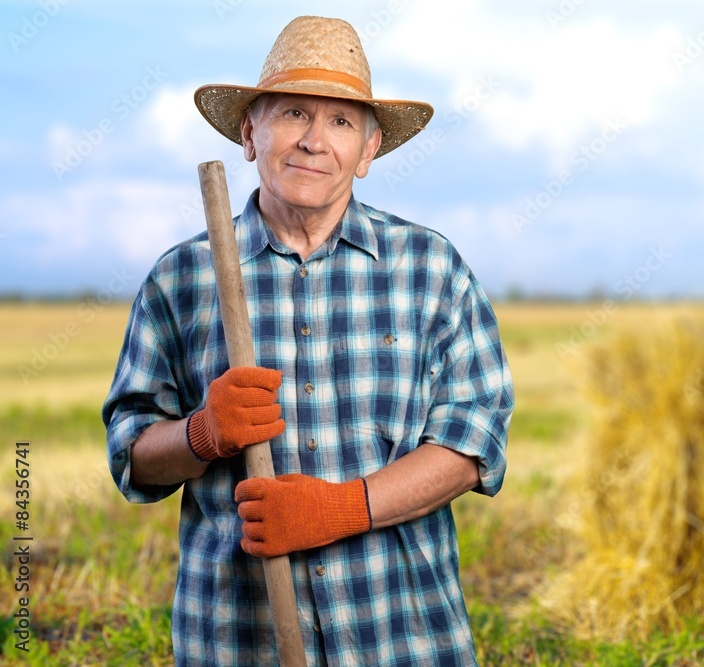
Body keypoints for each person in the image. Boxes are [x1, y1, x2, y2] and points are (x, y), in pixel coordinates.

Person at [103, 15, 513, 666]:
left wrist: (342, 507)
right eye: (293, 113)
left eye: (342, 122)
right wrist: (201, 433)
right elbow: (129, 454)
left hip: (405, 638)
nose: (314, 142)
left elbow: (472, 444)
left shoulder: (432, 270)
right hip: (235, 642)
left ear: (370, 149)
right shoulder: (182, 278)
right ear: (249, 132)